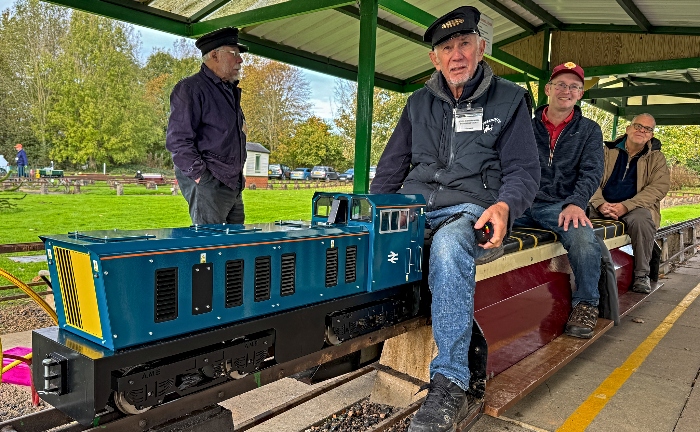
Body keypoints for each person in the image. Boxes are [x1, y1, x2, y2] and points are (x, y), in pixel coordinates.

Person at [370, 6, 540, 431]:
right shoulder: (418, 103)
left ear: (481, 47)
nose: (456, 54)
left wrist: (505, 206)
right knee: (355, 240)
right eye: (446, 47)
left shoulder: (511, 99)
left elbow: (523, 170)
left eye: (464, 43)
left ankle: (450, 383)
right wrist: (371, 213)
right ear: (434, 58)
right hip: (414, 207)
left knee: (446, 248)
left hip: (470, 209)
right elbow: (391, 168)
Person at [514, 62, 604, 340]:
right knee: (480, 227)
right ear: (548, 89)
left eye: (574, 87)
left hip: (563, 205)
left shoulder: (589, 130)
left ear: (580, 95)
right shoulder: (524, 127)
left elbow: (592, 171)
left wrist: (576, 202)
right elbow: (509, 165)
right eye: (561, 85)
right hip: (523, 201)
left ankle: (587, 303)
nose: (567, 91)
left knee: (583, 237)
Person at [166, 27, 248, 225]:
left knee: (236, 248)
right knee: (211, 249)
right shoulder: (191, 89)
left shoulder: (227, 91)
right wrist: (201, 177)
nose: (240, 60)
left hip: (232, 183)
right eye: (234, 54)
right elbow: (178, 140)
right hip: (210, 183)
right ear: (214, 55)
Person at [590, 114, 670, 293]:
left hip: (635, 208)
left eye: (647, 129)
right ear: (628, 129)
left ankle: (642, 275)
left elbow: (659, 188)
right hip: (601, 204)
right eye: (638, 126)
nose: (641, 131)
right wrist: (600, 203)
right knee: (574, 213)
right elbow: (589, 178)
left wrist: (626, 206)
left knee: (642, 220)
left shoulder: (656, 158)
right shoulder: (605, 152)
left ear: (651, 135)